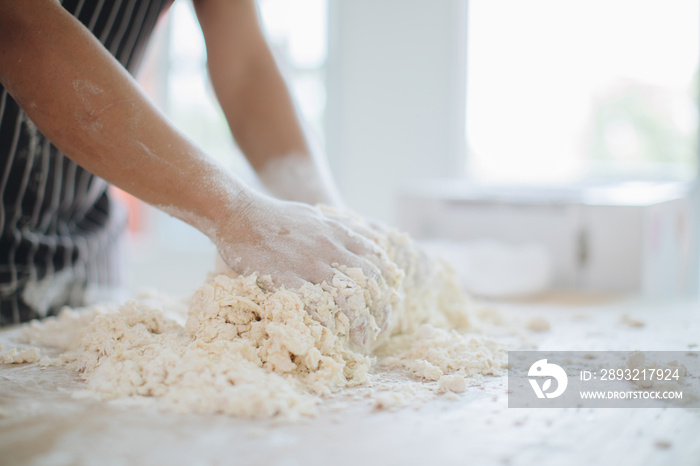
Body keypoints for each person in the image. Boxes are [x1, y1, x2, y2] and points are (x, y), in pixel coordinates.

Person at [0, 0, 386, 327]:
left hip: (81, 243)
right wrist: (237, 213)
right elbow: (20, 25)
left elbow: (245, 65)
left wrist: (322, 208)